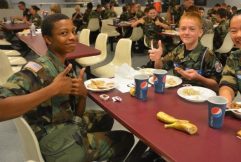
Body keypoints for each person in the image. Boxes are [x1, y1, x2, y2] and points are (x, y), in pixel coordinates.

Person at [0, 14, 134, 161]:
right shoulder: (38, 69)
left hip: (63, 125)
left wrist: (82, 95)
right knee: (125, 139)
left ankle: (85, 150)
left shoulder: (64, 66)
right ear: (48, 39)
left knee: (105, 118)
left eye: (73, 31)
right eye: (64, 33)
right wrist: (52, 90)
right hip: (53, 142)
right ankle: (79, 151)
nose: (72, 37)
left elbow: (75, 113)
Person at [148, 12, 222, 92]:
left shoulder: (207, 55)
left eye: (192, 29)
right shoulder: (179, 49)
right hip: (178, 94)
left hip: (198, 99)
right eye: (183, 29)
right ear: (179, 31)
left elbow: (217, 87)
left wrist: (199, 78)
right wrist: (158, 59)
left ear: (200, 32)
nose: (186, 32)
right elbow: (160, 68)